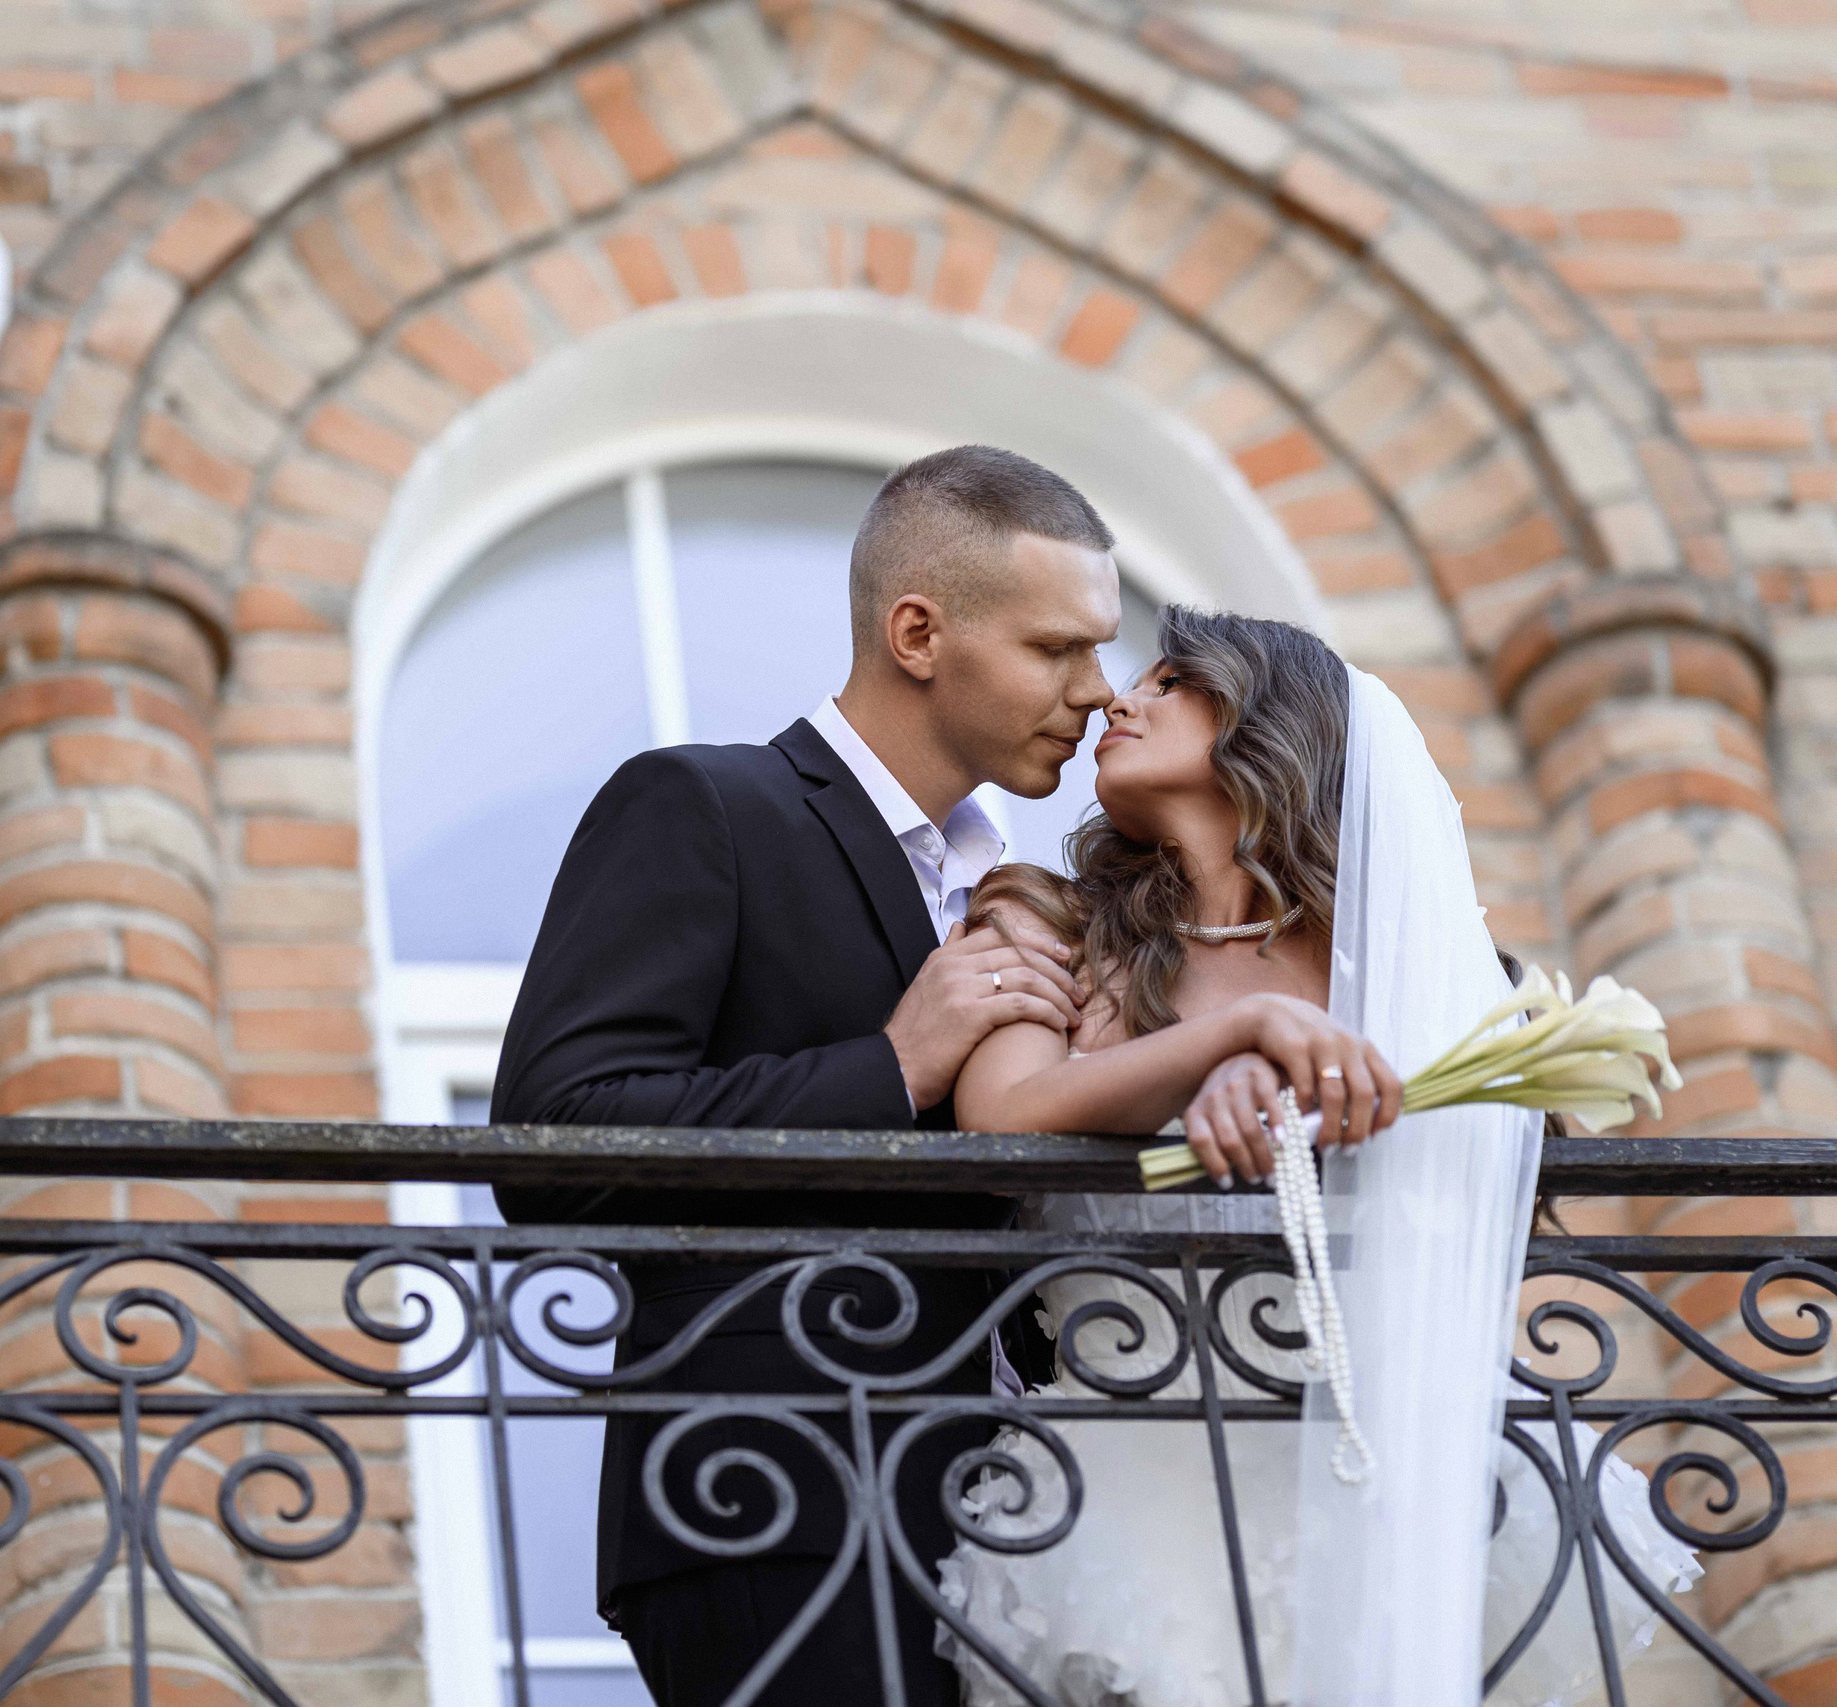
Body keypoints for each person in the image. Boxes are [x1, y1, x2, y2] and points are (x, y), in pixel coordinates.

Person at [929, 608, 1701, 1707]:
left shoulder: (1412, 971)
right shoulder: (1045, 919)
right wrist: (1229, 1043)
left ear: (1269, 721)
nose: (1116, 700)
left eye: (1170, 681)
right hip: (1138, 1472)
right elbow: (1005, 1120)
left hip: (1385, 1461)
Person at [489, 444, 1128, 1707]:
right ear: (916, 633)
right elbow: (553, 1139)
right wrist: (892, 1066)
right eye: (1056, 649)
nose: (1097, 691)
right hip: (782, 1504)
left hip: (1032, 1529)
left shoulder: (1019, 893)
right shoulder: (705, 804)